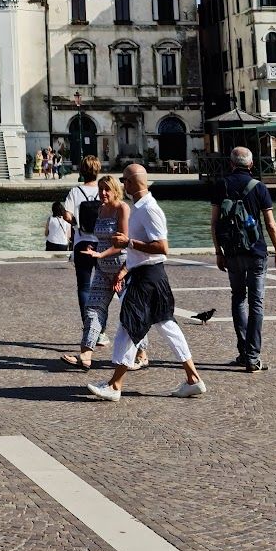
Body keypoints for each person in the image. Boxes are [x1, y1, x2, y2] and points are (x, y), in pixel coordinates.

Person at [85, 163, 206, 402]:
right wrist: (126, 265)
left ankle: (114, 385)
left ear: (131, 183)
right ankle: (193, 379)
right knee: (167, 326)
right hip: (149, 275)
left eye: (124, 180)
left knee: (128, 327)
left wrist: (128, 243)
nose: (122, 184)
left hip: (148, 278)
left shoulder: (149, 209)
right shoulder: (140, 208)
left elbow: (162, 247)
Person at [211, 146, 276, 372]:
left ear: (231, 164)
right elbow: (270, 224)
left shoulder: (220, 185)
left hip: (231, 251)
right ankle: (253, 357)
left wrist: (218, 251)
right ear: (251, 165)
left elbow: (213, 223)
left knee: (238, 298)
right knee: (256, 303)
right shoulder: (259, 187)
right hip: (256, 251)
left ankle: (243, 352)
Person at [61, 171, 129, 369]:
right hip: (102, 268)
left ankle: (141, 352)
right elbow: (102, 237)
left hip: (121, 269)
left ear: (116, 190)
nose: (103, 193)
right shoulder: (101, 209)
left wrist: (102, 254)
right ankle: (86, 355)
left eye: (107, 189)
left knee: (130, 310)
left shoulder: (122, 209)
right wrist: (96, 249)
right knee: (93, 309)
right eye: (100, 190)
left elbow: (123, 242)